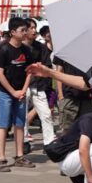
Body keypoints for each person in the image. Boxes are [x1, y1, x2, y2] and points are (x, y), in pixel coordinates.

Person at [0, 17, 37, 171]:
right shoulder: (4, 50)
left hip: (21, 93)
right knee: (3, 125)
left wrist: (23, 90)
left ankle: (19, 156)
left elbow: (30, 72)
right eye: (22, 30)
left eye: (26, 30)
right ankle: (1, 159)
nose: (25, 33)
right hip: (5, 93)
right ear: (12, 32)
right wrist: (13, 91)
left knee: (20, 124)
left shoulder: (26, 50)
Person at [46, 112, 92, 183]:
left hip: (74, 160)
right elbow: (83, 150)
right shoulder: (90, 120)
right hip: (66, 160)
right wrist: (91, 179)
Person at [24, 18, 56, 149]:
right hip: (22, 86)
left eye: (34, 28)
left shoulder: (41, 47)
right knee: (22, 115)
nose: (34, 31)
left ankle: (49, 142)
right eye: (31, 28)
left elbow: (47, 65)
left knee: (46, 114)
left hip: (39, 85)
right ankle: (24, 140)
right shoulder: (16, 47)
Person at [53, 56, 92, 132]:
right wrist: (60, 95)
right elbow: (59, 73)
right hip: (69, 96)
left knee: (87, 129)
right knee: (67, 129)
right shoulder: (62, 52)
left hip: (87, 96)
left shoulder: (90, 51)